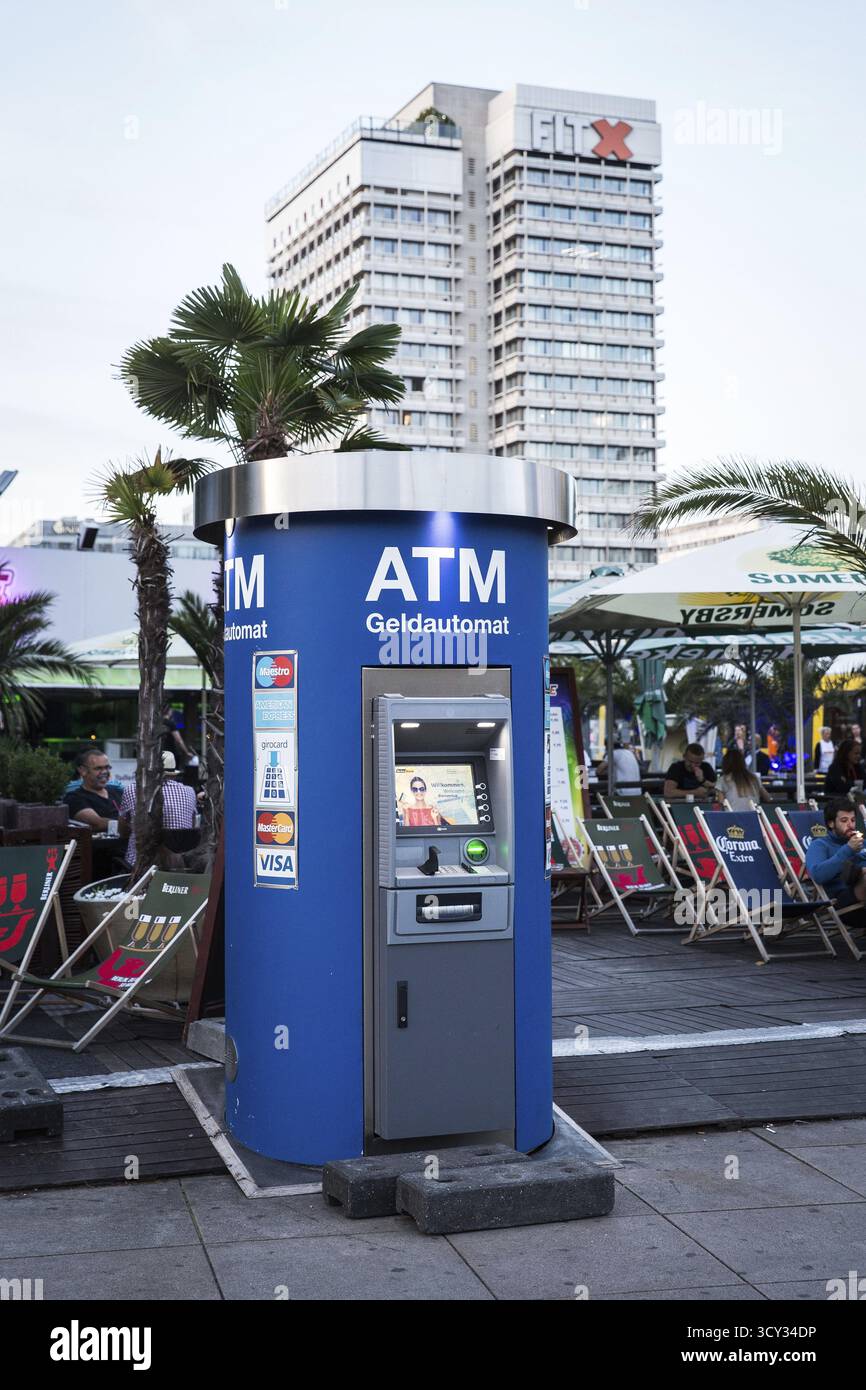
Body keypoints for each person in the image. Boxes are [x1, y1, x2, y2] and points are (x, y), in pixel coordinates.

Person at [118, 752, 200, 869]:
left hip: (138, 864)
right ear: (173, 774)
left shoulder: (132, 789)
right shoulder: (189, 791)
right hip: (177, 867)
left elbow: (122, 831)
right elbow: (190, 825)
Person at [805, 797, 866, 911]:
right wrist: (848, 849)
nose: (850, 825)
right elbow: (818, 875)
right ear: (831, 823)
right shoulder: (820, 845)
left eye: (852, 820)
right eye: (844, 820)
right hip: (842, 900)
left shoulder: (861, 843)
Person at [63, 748, 124, 831]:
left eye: (107, 767)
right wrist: (131, 824)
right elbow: (97, 823)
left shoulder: (118, 791)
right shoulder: (74, 798)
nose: (104, 772)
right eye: (98, 768)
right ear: (83, 771)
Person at [716, 746, 770, 811]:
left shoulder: (723, 780)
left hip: (732, 817)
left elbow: (721, 801)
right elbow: (767, 798)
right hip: (753, 817)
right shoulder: (754, 778)